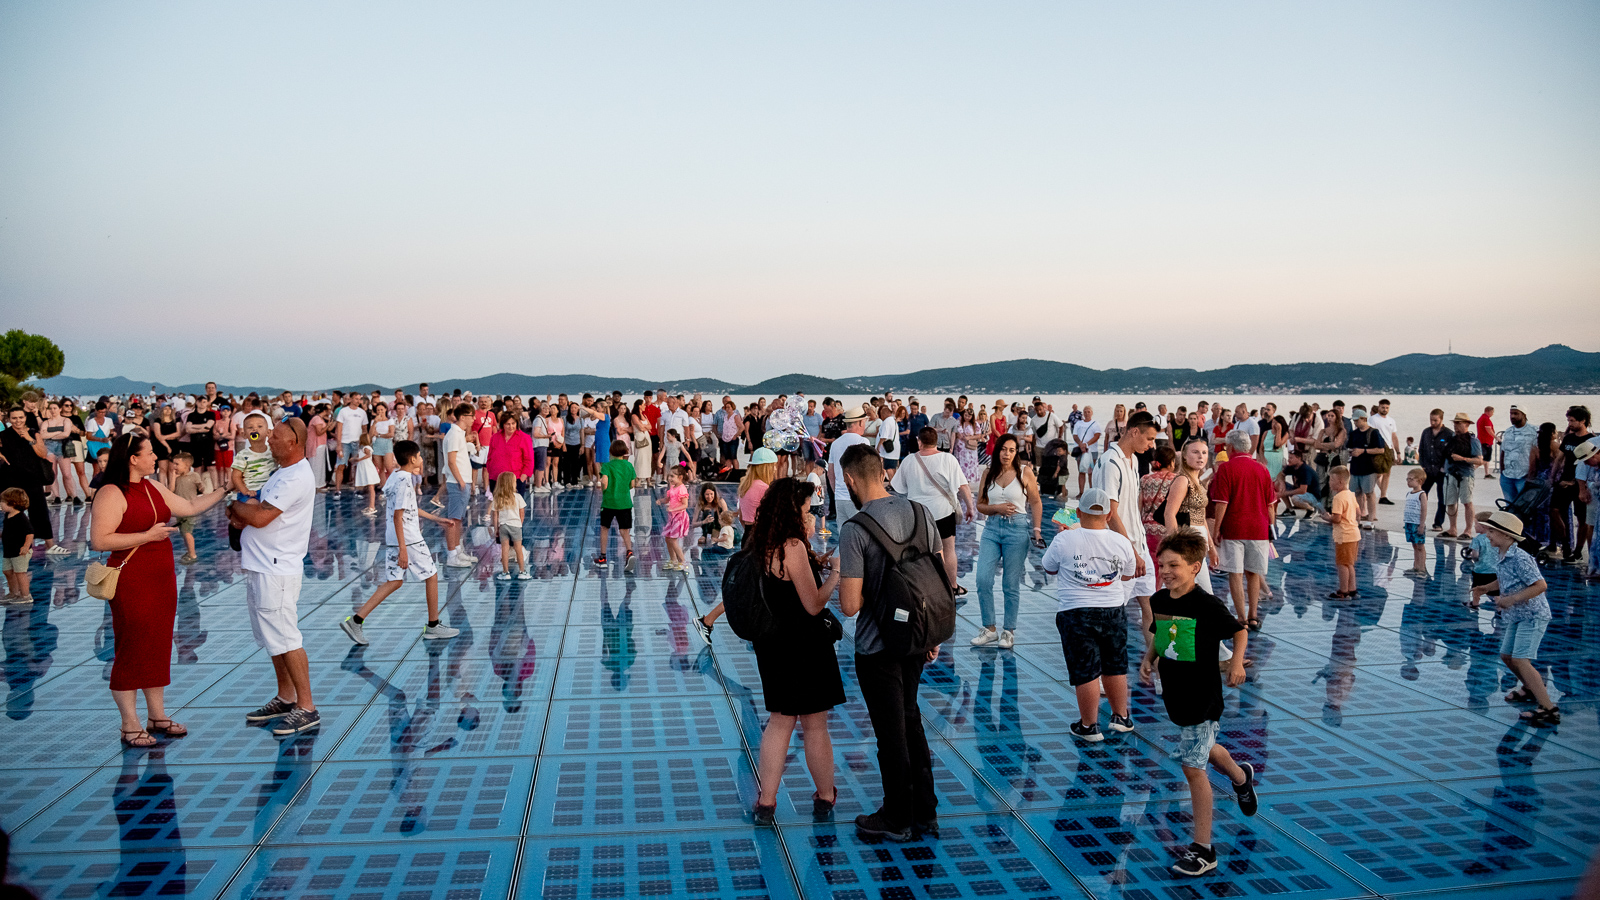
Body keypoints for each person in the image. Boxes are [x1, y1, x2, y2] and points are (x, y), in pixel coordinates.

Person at [91, 433, 226, 747]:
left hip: (161, 577)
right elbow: (99, 540)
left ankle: (157, 715)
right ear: (133, 459)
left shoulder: (152, 486)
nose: (156, 458)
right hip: (131, 577)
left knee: (158, 643)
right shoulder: (111, 492)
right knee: (132, 644)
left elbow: (189, 506)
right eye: (150, 453)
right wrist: (146, 536)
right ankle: (129, 723)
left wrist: (226, 488)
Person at [837, 444, 943, 842]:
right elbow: (936, 574)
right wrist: (930, 633)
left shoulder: (855, 529)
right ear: (883, 471)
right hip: (917, 638)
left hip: (877, 647)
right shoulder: (921, 512)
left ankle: (897, 817)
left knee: (890, 732)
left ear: (849, 479)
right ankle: (926, 811)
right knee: (911, 719)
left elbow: (850, 606)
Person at [1138, 531, 1257, 878]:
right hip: (1176, 695)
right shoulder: (1160, 599)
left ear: (1195, 567)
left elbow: (1239, 631)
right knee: (1205, 748)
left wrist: (1236, 663)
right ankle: (1240, 776)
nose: (1166, 571)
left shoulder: (1206, 605)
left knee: (1193, 768)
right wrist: (1149, 657)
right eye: (1162, 565)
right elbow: (1161, 634)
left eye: (1174, 565)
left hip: (1204, 697)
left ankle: (1203, 849)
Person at [747, 478, 846, 826]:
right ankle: (825, 796)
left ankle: (766, 801)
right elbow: (813, 604)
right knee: (815, 725)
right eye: (806, 509)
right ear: (793, 511)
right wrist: (835, 575)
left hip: (772, 645)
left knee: (779, 722)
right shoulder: (792, 546)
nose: (810, 516)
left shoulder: (761, 542)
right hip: (805, 646)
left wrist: (814, 562)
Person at [226, 418, 321, 737]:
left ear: (293, 443)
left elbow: (262, 516)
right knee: (273, 637)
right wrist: (243, 512)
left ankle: (306, 707)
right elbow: (256, 510)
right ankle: (286, 697)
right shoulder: (281, 472)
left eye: (276, 437)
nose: (268, 440)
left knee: (287, 637)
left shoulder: (294, 477)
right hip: (263, 565)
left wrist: (236, 507)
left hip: (276, 569)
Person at [341, 439, 460, 643]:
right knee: (431, 575)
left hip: (394, 538)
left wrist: (436, 519)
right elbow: (398, 516)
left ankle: (356, 621)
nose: (421, 459)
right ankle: (433, 626)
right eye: (419, 456)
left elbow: (409, 507)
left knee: (395, 581)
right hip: (408, 539)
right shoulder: (405, 481)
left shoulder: (395, 476)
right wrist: (403, 549)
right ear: (412, 459)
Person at [1042, 487, 1136, 742]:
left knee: (1086, 670)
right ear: (1108, 515)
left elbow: (1049, 567)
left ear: (1079, 513)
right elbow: (1127, 574)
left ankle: (1089, 725)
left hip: (1075, 612)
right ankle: (1121, 717)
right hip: (1113, 610)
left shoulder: (1064, 539)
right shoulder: (1121, 541)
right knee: (1115, 665)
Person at [1469, 512, 1557, 726]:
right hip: (1517, 615)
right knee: (1506, 656)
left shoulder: (1521, 558)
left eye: (1492, 531)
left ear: (1508, 536)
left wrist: (1512, 599)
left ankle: (1548, 709)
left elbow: (1540, 585)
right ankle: (1529, 688)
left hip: (1532, 616)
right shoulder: (1501, 553)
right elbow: (1504, 579)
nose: (1487, 535)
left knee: (1520, 659)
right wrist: (1485, 588)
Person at [1094, 410, 1160, 647]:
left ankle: (1154, 661)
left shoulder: (1133, 461)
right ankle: (1101, 662)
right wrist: (1131, 552)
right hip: (1120, 551)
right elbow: (1110, 514)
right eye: (1149, 438)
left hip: (1139, 546)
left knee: (1150, 607)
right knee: (1112, 611)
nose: (1151, 445)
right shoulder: (1111, 463)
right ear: (1134, 432)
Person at [971, 434, 1042, 649]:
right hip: (992, 529)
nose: (1007, 454)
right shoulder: (988, 473)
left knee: (1010, 584)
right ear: (997, 450)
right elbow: (980, 505)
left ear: (1016, 453)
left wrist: (1037, 530)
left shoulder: (1024, 472)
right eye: (1003, 449)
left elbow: (1036, 502)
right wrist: (996, 508)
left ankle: (1008, 631)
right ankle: (989, 628)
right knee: (983, 579)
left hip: (1016, 530)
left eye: (1011, 450)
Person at [892, 427, 975, 595]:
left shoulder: (909, 460)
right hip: (943, 512)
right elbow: (963, 486)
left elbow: (899, 488)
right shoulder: (948, 459)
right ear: (937, 441)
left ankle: (920, 589)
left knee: (918, 552)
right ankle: (952, 587)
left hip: (917, 514)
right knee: (948, 550)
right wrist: (970, 507)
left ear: (919, 442)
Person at [1208, 431, 1276, 630]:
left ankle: (1241, 618)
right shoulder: (1262, 469)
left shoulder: (1226, 469)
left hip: (1234, 528)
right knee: (1254, 572)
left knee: (1235, 573)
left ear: (1231, 447)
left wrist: (1216, 529)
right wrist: (1270, 528)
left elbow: (1221, 503)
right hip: (1259, 529)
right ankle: (1253, 616)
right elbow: (1270, 505)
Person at [1, 407, 66, 555]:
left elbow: (42, 454)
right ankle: (16, 545)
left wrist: (30, 440)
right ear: (9, 419)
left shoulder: (33, 433)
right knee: (12, 514)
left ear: (25, 418)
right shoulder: (3, 435)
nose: (18, 421)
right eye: (14, 418)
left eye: (21, 417)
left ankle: (50, 545)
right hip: (11, 479)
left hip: (32, 478)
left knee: (40, 511)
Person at [1554, 406, 1595, 564]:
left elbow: (1590, 465)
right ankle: (1565, 545)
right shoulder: (1568, 438)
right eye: (1568, 420)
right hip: (1564, 480)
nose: (1569, 424)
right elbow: (1560, 458)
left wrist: (1577, 484)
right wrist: (1553, 477)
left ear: (1582, 421)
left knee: (1582, 518)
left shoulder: (1591, 440)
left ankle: (1578, 551)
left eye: (1572, 421)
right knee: (1554, 510)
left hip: (1581, 484)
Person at [439, 403, 476, 567]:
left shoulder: (459, 434)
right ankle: (452, 555)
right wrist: (460, 480)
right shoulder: (454, 434)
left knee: (459, 519)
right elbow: (451, 461)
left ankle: (458, 550)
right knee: (453, 520)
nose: (473, 419)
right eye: (471, 416)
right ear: (463, 417)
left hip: (462, 481)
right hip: (457, 482)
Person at [1440, 412, 1484, 540]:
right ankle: (1452, 528)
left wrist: (1463, 459)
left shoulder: (1473, 440)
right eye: (1455, 423)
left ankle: (1468, 530)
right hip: (1450, 474)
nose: (1455, 425)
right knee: (1450, 502)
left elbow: (1479, 460)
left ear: (1466, 424)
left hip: (1465, 474)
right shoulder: (1451, 438)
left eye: (1458, 423)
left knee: (1467, 502)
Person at [596, 440, 638, 571]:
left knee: (604, 528)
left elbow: (605, 483)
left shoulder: (607, 466)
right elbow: (632, 484)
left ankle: (603, 558)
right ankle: (629, 552)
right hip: (625, 502)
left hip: (609, 502)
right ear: (625, 451)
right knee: (624, 530)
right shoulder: (629, 465)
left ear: (611, 452)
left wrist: (604, 488)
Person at [827, 407, 869, 524]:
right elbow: (866, 472)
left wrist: (837, 492)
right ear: (860, 422)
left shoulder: (835, 443)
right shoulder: (863, 442)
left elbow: (830, 473)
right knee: (859, 530)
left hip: (839, 498)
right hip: (857, 498)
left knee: (843, 531)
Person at [1345, 406, 1385, 528]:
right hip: (1355, 467)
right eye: (1354, 421)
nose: (1355, 423)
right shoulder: (1354, 434)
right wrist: (1352, 452)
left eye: (1357, 420)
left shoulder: (1373, 433)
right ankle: (1358, 517)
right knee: (1356, 493)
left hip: (1369, 467)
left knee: (1369, 493)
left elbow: (1381, 450)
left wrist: (1363, 451)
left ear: (1364, 419)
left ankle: (1371, 518)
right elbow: (1349, 446)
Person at [1323, 466, 1360, 599]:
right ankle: (1352, 589)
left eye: (1331, 480)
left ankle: (1343, 591)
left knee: (1342, 564)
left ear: (1340, 482)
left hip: (1344, 536)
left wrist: (1327, 518)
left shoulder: (1338, 498)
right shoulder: (1351, 494)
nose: (1329, 482)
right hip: (1354, 534)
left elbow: (1337, 519)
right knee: (1349, 563)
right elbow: (1358, 513)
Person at [493, 471, 531, 580]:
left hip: (503, 526)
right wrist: (520, 524)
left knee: (504, 549)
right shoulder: (518, 497)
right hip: (515, 526)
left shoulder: (498, 498)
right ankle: (522, 571)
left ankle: (505, 572)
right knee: (518, 549)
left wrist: (496, 529)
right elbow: (522, 512)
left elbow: (495, 516)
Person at [1498, 405, 1538, 504]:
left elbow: (1538, 454)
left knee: (1524, 506)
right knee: (1509, 506)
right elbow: (1503, 451)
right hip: (1507, 476)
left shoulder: (1534, 431)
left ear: (1524, 415)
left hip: (1524, 476)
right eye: (1511, 414)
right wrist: (1502, 471)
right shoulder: (1508, 431)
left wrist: (1531, 474)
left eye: (1516, 413)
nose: (1512, 416)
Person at [170, 452, 204, 564]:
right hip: (180, 509)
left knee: (187, 532)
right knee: (183, 532)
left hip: (189, 509)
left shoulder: (194, 476)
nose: (174, 466)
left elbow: (201, 487)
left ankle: (192, 554)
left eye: (177, 464)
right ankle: (189, 551)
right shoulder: (177, 478)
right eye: (174, 464)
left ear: (187, 465)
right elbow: (171, 490)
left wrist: (202, 488)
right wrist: (173, 477)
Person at [1, 488, 32, 603]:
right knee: (7, 571)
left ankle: (25, 595)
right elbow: (9, 531)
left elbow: (30, 533)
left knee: (20, 573)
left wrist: (26, 546)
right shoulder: (8, 515)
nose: (1, 505)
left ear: (12, 503)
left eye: (2, 502)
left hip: (19, 551)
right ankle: (14, 593)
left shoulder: (21, 518)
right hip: (9, 549)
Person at [658, 466, 691, 571]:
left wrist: (673, 509)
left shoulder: (682, 489)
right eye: (669, 476)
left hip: (679, 517)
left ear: (680, 477)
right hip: (672, 517)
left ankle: (682, 561)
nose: (669, 478)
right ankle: (673, 560)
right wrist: (661, 501)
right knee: (668, 538)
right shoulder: (673, 487)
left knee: (673, 539)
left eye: (672, 476)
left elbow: (685, 505)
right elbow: (668, 499)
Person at [1276, 448, 1324, 517]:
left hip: (1312, 496)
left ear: (1298, 458)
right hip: (1300, 492)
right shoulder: (1291, 466)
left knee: (1295, 498)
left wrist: (1284, 493)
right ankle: (1290, 510)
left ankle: (1311, 509)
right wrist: (1282, 483)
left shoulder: (1305, 470)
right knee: (1277, 484)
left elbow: (1302, 490)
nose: (1289, 460)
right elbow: (1280, 475)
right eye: (1289, 457)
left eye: (1291, 458)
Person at [1369, 399, 1400, 503]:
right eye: (1383, 407)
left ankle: (1383, 496)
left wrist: (1398, 452)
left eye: (1387, 408)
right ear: (1379, 407)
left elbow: (1394, 436)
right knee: (1377, 473)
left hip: (1389, 448)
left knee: (1387, 473)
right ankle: (1369, 492)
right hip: (1378, 447)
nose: (1385, 409)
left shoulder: (1391, 421)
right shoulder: (1373, 419)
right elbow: (1370, 434)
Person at [1401, 468, 1429, 576]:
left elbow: (1424, 510)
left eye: (1411, 479)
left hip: (1417, 523)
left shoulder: (1422, 494)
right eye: (1407, 479)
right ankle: (1416, 566)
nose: (1408, 481)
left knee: (1420, 546)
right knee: (1414, 545)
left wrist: (1421, 524)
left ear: (1420, 481)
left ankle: (1422, 568)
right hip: (1409, 522)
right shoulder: (1409, 493)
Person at [1071, 406, 1102, 497]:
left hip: (1092, 450)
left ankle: (1092, 491)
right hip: (1080, 450)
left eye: (1088, 412)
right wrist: (1080, 444)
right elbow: (1075, 435)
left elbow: (1097, 436)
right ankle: (1081, 492)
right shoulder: (1078, 424)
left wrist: (1087, 444)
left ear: (1092, 413)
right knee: (1081, 471)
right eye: (1085, 412)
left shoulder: (1095, 424)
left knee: (1091, 472)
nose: (1087, 413)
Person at [352, 433, 380, 514]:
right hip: (365, 468)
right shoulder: (362, 449)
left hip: (368, 469)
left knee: (371, 488)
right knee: (370, 488)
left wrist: (359, 459)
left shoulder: (366, 448)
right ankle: (370, 505)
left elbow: (368, 455)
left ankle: (372, 507)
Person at [1476, 406, 1497, 479]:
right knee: (1486, 459)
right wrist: (1496, 437)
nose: (1493, 414)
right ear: (1488, 411)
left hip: (1483, 441)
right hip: (1485, 442)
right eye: (1492, 412)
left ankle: (1487, 473)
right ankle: (1472, 469)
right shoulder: (1485, 419)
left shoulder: (1482, 418)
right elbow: (1489, 430)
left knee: (1485, 458)